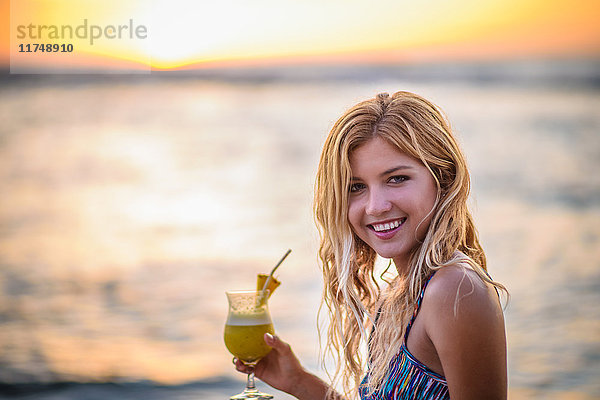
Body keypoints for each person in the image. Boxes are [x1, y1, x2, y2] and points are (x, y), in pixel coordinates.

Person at [234, 91, 508, 399]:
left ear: (442, 179)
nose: (375, 206)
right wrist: (298, 381)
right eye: (356, 187)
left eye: (396, 179)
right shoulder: (395, 295)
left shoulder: (454, 290)